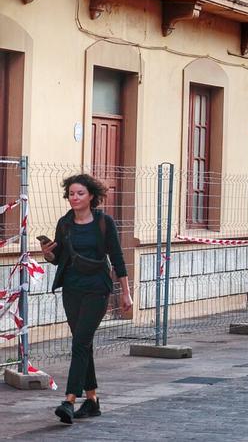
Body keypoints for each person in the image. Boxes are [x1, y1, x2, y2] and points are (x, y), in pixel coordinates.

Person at [39, 174, 131, 425]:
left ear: (91, 195)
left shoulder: (104, 222)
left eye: (80, 193)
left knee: (80, 342)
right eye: (71, 194)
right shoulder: (65, 224)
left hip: (97, 289)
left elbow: (118, 258)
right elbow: (59, 259)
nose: (75, 198)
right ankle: (92, 401)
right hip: (72, 289)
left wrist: (126, 291)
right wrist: (48, 255)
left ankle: (69, 400)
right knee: (84, 343)